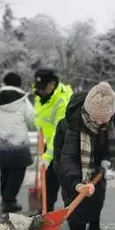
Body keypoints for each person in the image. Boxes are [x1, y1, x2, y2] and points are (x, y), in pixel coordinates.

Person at [53, 82, 115, 230]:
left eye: (105, 120)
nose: (100, 124)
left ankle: (94, 229)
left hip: (95, 169)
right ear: (88, 112)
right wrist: (76, 184)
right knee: (77, 212)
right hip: (70, 170)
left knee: (97, 199)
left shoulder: (107, 119)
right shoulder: (70, 126)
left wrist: (107, 160)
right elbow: (67, 160)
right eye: (96, 120)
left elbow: (111, 144)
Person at [0, 72, 37, 218]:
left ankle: (6, 199)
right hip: (19, 143)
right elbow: (32, 119)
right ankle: (9, 201)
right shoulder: (23, 100)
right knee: (17, 172)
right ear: (19, 84)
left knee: (5, 171)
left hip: (2, 142)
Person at [33, 68, 74, 212]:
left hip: (65, 143)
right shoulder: (40, 94)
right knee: (48, 179)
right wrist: (39, 127)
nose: (40, 91)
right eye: (38, 88)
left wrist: (47, 157)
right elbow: (40, 115)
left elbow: (59, 132)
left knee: (62, 177)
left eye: (43, 88)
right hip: (47, 141)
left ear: (52, 84)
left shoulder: (62, 100)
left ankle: (70, 212)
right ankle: (44, 210)